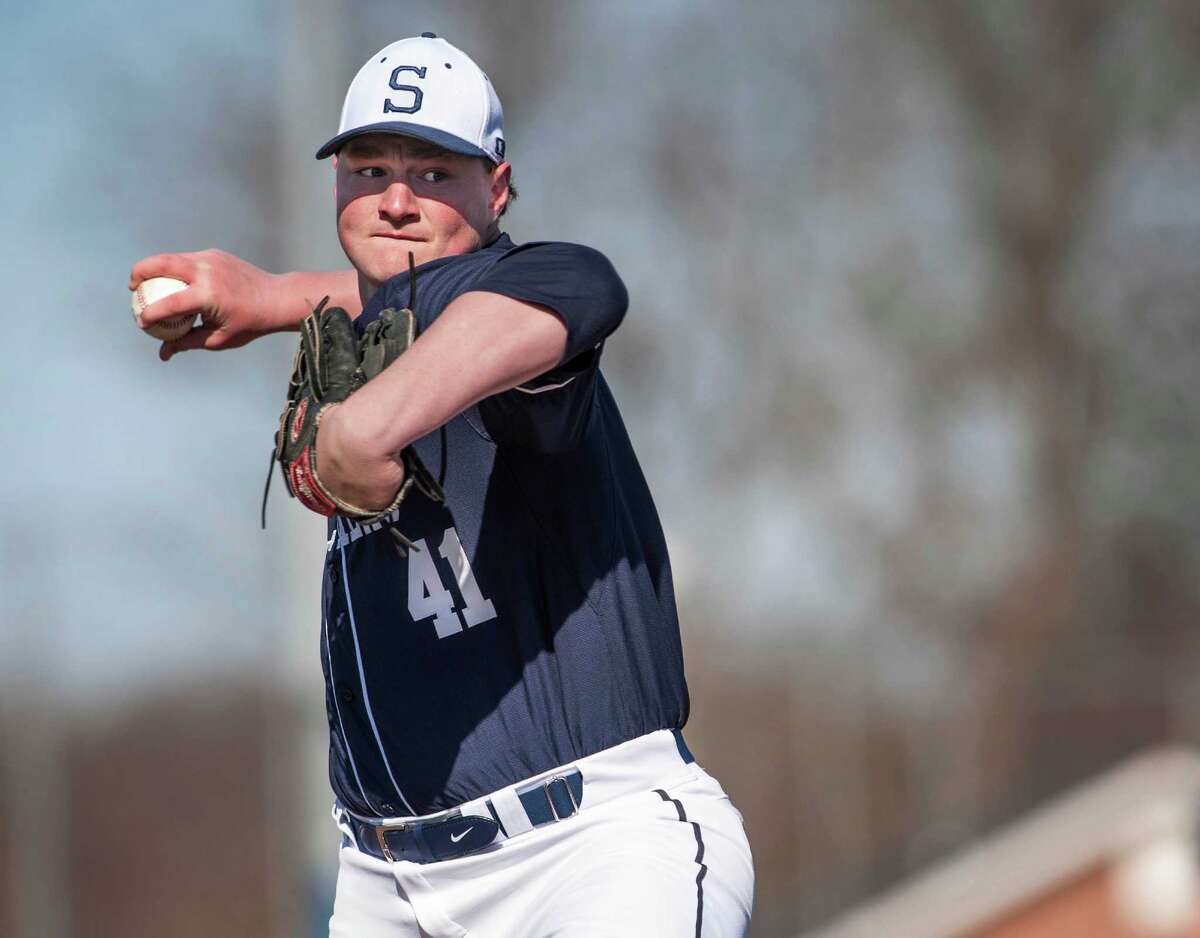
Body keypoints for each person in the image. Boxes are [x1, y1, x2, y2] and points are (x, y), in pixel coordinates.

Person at [131, 33, 753, 938]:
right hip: (385, 881)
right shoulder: (369, 322)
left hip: (594, 855)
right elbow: (391, 296)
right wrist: (273, 297)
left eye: (433, 173)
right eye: (368, 166)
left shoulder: (520, 303)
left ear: (496, 189)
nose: (394, 199)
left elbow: (583, 285)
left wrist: (362, 421)